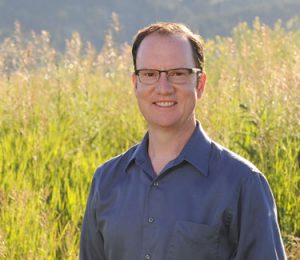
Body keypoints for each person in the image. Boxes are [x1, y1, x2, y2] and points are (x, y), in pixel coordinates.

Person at [80, 22, 286, 260]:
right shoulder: (106, 181)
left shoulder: (243, 183)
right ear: (136, 84)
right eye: (149, 74)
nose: (163, 88)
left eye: (178, 73)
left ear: (200, 84)